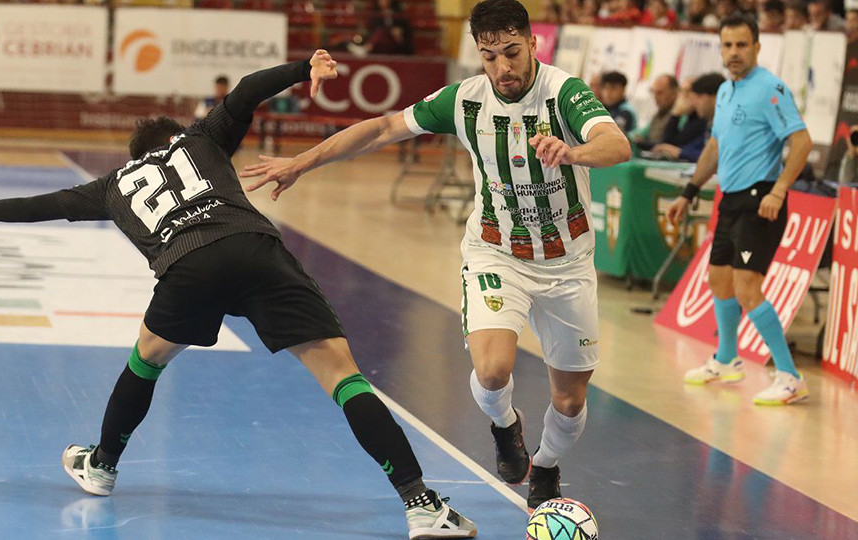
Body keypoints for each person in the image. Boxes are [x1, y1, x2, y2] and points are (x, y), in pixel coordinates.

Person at [0, 51, 476, 540]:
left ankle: (101, 465)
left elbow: (41, 205)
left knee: (147, 358)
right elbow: (245, 90)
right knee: (342, 375)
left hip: (188, 266)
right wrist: (302, 69)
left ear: (136, 155)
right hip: (256, 248)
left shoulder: (113, 185)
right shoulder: (200, 140)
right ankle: (421, 504)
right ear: (174, 140)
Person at [240, 0, 631, 509]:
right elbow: (381, 128)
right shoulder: (464, 100)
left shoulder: (565, 94)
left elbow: (616, 144)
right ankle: (505, 424)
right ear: (478, 53)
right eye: (490, 56)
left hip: (567, 263)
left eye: (512, 53)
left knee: (570, 400)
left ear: (533, 44)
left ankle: (548, 466)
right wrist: (303, 161)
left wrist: (572, 151)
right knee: (492, 372)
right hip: (497, 254)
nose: (502, 68)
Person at [666, 14, 813, 405]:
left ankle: (790, 375)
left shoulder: (770, 89)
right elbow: (714, 147)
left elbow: (801, 142)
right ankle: (727, 359)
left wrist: (779, 191)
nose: (733, 52)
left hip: (760, 200)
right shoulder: (727, 91)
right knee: (718, 280)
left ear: (757, 47)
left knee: (748, 286)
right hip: (730, 200)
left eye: (741, 45)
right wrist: (690, 191)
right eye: (727, 45)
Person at [651, 73, 724, 161]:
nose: (694, 101)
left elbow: (713, 156)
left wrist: (679, 152)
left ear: (716, 97)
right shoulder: (707, 122)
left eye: (699, 96)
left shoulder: (714, 123)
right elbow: (693, 147)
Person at [633, 74, 679, 150]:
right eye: (654, 93)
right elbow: (641, 133)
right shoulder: (658, 114)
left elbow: (667, 143)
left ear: (674, 93)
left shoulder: (679, 116)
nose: (655, 97)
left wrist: (641, 142)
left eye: (660, 93)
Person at [600, 71, 638, 135]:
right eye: (606, 88)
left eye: (613, 88)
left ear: (623, 89)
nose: (608, 93)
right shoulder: (605, 108)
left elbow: (611, 133)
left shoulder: (626, 112)